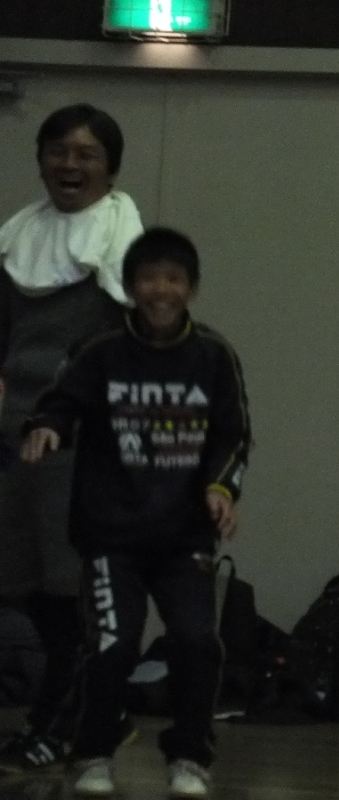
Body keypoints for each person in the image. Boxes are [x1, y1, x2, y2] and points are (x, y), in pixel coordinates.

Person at [20, 226, 251, 798]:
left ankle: (190, 755)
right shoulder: (100, 350)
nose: (161, 290)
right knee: (111, 645)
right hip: (110, 536)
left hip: (185, 536)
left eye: (173, 279)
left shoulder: (214, 355)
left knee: (197, 642)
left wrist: (222, 490)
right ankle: (92, 752)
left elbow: (234, 435)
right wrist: (48, 427)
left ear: (192, 287)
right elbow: (60, 401)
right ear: (129, 287)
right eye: (148, 278)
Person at [0, 103, 143, 772]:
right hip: (13, 441)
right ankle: (90, 712)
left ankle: (66, 722)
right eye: (58, 150)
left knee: (72, 589)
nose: (69, 163)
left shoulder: (126, 249)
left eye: (86, 153)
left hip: (82, 445)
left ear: (110, 169)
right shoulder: (16, 238)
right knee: (22, 582)